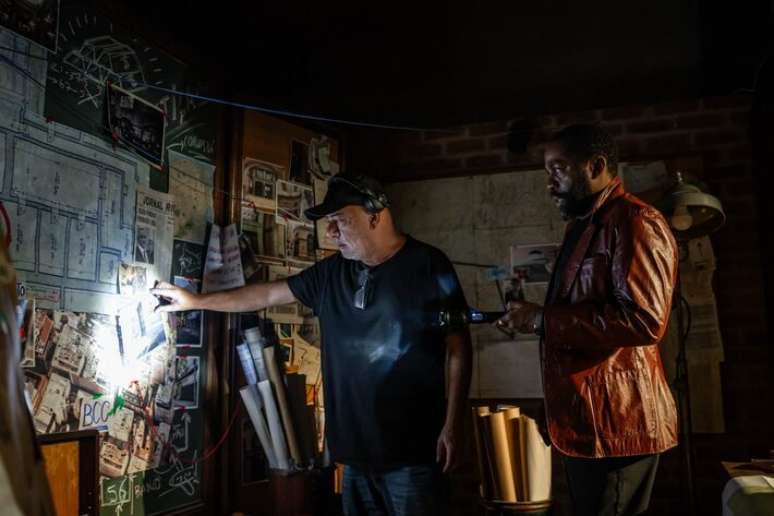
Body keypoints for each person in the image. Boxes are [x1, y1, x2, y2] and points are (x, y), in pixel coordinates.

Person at [154, 173, 472, 516]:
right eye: (328, 222)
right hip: (353, 458)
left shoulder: (429, 266)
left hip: (414, 457)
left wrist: (453, 422)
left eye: (340, 221)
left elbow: (458, 348)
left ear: (374, 216)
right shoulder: (331, 273)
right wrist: (195, 300)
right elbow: (266, 294)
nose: (331, 232)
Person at [498, 124, 678, 516]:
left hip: (618, 424)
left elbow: (645, 320)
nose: (550, 182)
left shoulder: (634, 221)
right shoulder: (585, 227)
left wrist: (543, 320)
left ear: (595, 166)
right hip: (590, 421)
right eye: (548, 171)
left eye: (558, 169)